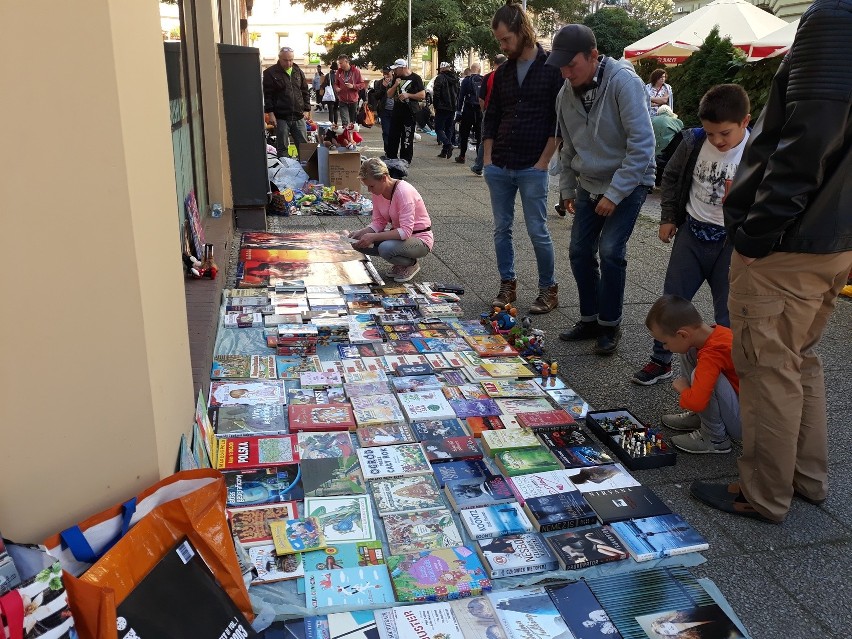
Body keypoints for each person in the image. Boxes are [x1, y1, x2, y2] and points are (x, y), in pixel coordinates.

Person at [691, 0, 852, 524]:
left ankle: (764, 492)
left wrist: (756, 233)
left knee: (768, 369)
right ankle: (804, 478)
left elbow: (806, 143)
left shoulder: (835, 20)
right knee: (799, 360)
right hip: (829, 234)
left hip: (790, 241)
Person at [632, 85, 750, 386]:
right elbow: (670, 176)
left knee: (728, 313)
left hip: (730, 243)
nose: (717, 140)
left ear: (745, 122)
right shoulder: (693, 141)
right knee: (672, 302)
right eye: (711, 134)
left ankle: (726, 374)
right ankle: (661, 360)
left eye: (725, 133)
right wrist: (669, 217)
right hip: (692, 234)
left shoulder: (757, 151)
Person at [549, 24, 655, 353]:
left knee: (610, 250)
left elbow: (642, 145)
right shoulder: (565, 95)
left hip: (630, 179)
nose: (566, 73)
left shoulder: (624, 82)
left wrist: (614, 194)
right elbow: (566, 148)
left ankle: (610, 326)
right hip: (588, 181)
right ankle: (590, 319)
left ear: (594, 56)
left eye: (572, 65)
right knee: (579, 252)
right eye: (562, 67)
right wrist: (566, 189)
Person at [482, 2, 563, 315]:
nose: (502, 46)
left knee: (537, 229)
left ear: (522, 31)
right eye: (499, 41)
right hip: (500, 163)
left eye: (506, 39)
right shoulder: (502, 73)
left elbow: (558, 120)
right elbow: (492, 116)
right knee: (501, 228)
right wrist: (487, 159)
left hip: (533, 164)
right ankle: (507, 285)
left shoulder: (552, 68)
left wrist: (543, 162)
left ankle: (548, 288)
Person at [645, 295, 741, 454]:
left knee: (703, 374)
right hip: (745, 408)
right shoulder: (717, 333)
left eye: (665, 342)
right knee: (690, 351)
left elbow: (697, 402)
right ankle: (703, 419)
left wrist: (683, 389)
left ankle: (715, 438)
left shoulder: (712, 355)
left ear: (682, 334)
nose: (665, 347)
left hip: (747, 424)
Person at [349, 158, 433, 282]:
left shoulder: (403, 192)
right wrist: (361, 233)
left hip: (420, 239)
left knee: (385, 248)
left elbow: (406, 232)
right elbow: (379, 222)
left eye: (371, 186)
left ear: (384, 178)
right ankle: (400, 262)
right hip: (399, 236)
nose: (369, 190)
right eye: (367, 186)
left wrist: (373, 237)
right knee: (356, 242)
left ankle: (411, 264)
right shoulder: (378, 191)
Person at [263, 47, 311, 157]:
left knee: (304, 148)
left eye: (291, 59)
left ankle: (306, 171)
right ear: (279, 58)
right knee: (282, 147)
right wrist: (270, 114)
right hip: (281, 117)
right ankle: (284, 172)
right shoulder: (270, 73)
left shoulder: (297, 71)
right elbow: (268, 95)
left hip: (298, 115)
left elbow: (304, 91)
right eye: (285, 60)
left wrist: (307, 109)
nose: (289, 63)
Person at [471, 54, 506, 176]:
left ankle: (479, 165)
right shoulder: (510, 76)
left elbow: (481, 98)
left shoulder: (488, 77)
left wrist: (484, 111)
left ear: (494, 63)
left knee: (486, 138)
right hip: (506, 113)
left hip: (490, 112)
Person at [386, 59, 425, 165]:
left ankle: (405, 160)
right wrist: (395, 85)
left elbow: (422, 95)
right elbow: (389, 94)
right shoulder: (396, 78)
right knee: (393, 136)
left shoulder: (416, 78)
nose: (395, 71)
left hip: (409, 113)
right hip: (397, 112)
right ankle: (391, 158)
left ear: (402, 68)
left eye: (396, 69)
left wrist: (409, 95)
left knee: (407, 137)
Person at [455, 62, 483, 165]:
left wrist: (458, 112)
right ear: (479, 70)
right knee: (479, 135)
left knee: (464, 134)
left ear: (471, 70)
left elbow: (461, 97)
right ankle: (479, 159)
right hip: (479, 111)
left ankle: (462, 156)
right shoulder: (483, 79)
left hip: (468, 110)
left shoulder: (466, 81)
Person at [433, 62, 460, 159]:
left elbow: (436, 93)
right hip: (452, 107)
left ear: (441, 69)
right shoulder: (456, 78)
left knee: (438, 128)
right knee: (449, 128)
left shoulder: (440, 78)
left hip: (442, 107)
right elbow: (458, 93)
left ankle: (448, 145)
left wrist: (435, 105)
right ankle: (445, 151)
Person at [333, 55, 365, 126]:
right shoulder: (339, 72)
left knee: (352, 122)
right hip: (342, 99)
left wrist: (353, 86)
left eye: (341, 63)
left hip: (353, 100)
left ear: (346, 62)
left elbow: (362, 84)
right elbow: (335, 84)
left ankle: (352, 135)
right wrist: (337, 88)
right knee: (344, 121)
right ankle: (346, 135)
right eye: (339, 63)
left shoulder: (356, 72)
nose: (340, 65)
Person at [371, 67, 396, 150]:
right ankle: (387, 151)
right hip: (385, 110)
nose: (385, 75)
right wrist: (383, 87)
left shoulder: (397, 81)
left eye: (387, 73)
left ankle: (393, 151)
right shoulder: (379, 83)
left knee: (394, 133)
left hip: (395, 110)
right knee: (386, 132)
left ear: (392, 72)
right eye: (384, 73)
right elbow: (376, 96)